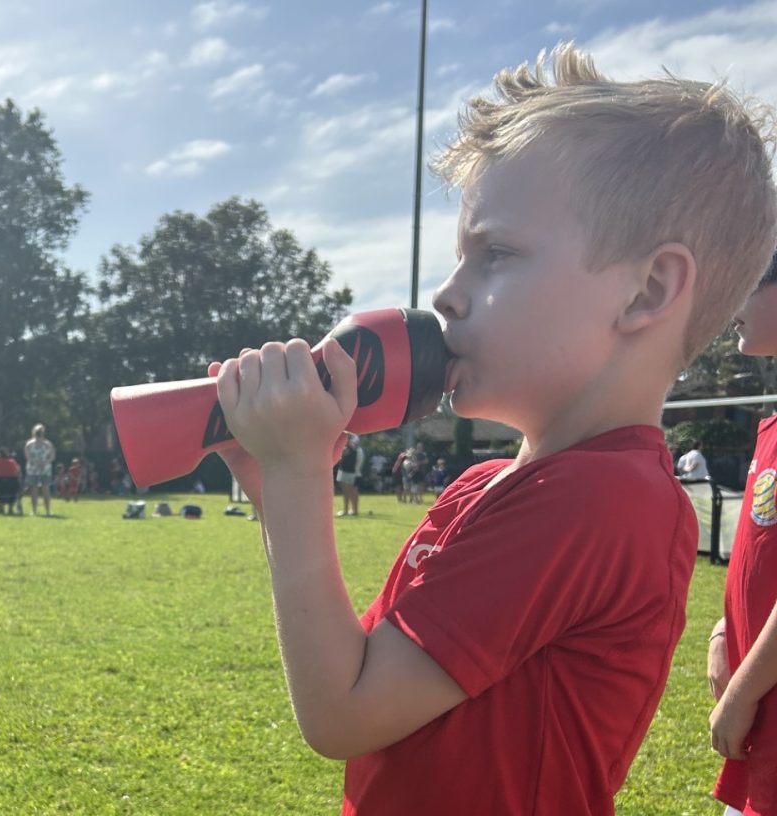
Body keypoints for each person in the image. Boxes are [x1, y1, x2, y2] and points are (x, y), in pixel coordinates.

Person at [207, 44, 775, 815]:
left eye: (496, 254)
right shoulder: (489, 484)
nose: (447, 293)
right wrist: (281, 490)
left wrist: (305, 475)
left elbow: (343, 713)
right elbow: (361, 665)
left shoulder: (599, 499)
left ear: (648, 290)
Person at [708, 252, 777, 815]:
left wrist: (740, 694)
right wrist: (720, 631)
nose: (731, 305)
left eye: (746, 284)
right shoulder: (771, 427)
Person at [24, 423, 55, 516]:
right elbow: (52, 457)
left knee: (35, 490)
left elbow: (28, 457)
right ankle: (47, 511)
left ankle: (34, 511)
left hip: (34, 469)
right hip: (44, 469)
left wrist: (38, 463)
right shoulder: (48, 444)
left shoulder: (29, 444)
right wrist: (44, 463)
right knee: (45, 490)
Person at [336, 433, 365, 517]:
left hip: (349, 472)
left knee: (350, 491)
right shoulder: (356, 450)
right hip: (348, 471)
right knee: (349, 491)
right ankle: (350, 510)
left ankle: (351, 510)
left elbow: (346, 451)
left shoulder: (353, 449)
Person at [0, 448, 22, 515]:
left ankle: (1, 509)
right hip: (11, 486)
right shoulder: (12, 462)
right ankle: (10, 509)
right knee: (14, 490)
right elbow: (17, 471)